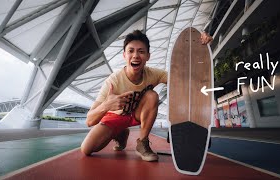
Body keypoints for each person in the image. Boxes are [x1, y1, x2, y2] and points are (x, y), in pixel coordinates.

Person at [80, 29, 213, 162]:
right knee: (87, 149)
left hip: (138, 114)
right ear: (124, 55)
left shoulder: (154, 74)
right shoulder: (113, 82)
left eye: (141, 51)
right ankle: (121, 134)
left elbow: (182, 81)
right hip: (116, 116)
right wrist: (106, 105)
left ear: (148, 56)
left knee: (152, 96)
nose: (136, 55)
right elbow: (89, 121)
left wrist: (198, 48)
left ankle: (142, 143)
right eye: (131, 51)